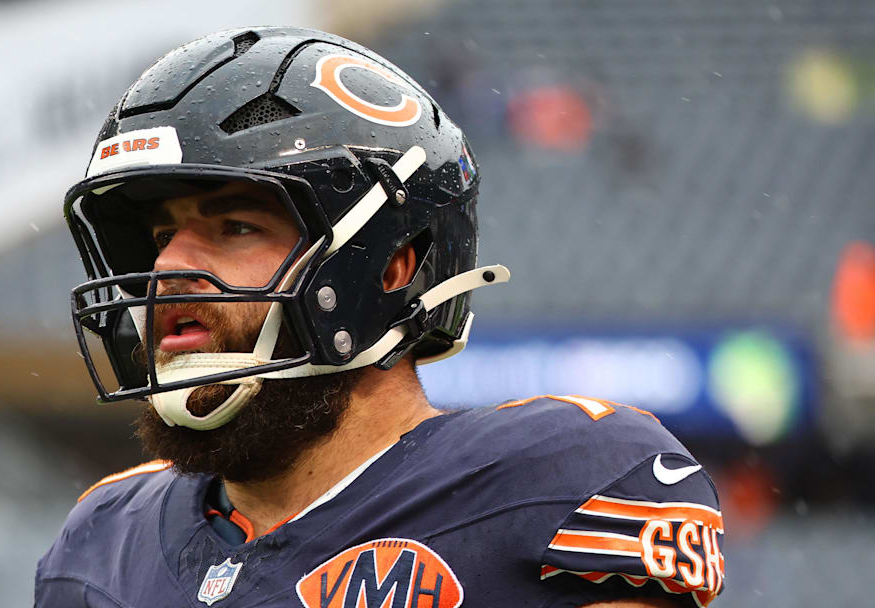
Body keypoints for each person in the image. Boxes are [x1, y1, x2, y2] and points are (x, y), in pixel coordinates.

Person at [36, 26, 724, 608]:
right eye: (162, 237)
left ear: (388, 263)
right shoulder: (100, 544)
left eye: (236, 226)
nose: (165, 270)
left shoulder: (560, 481)